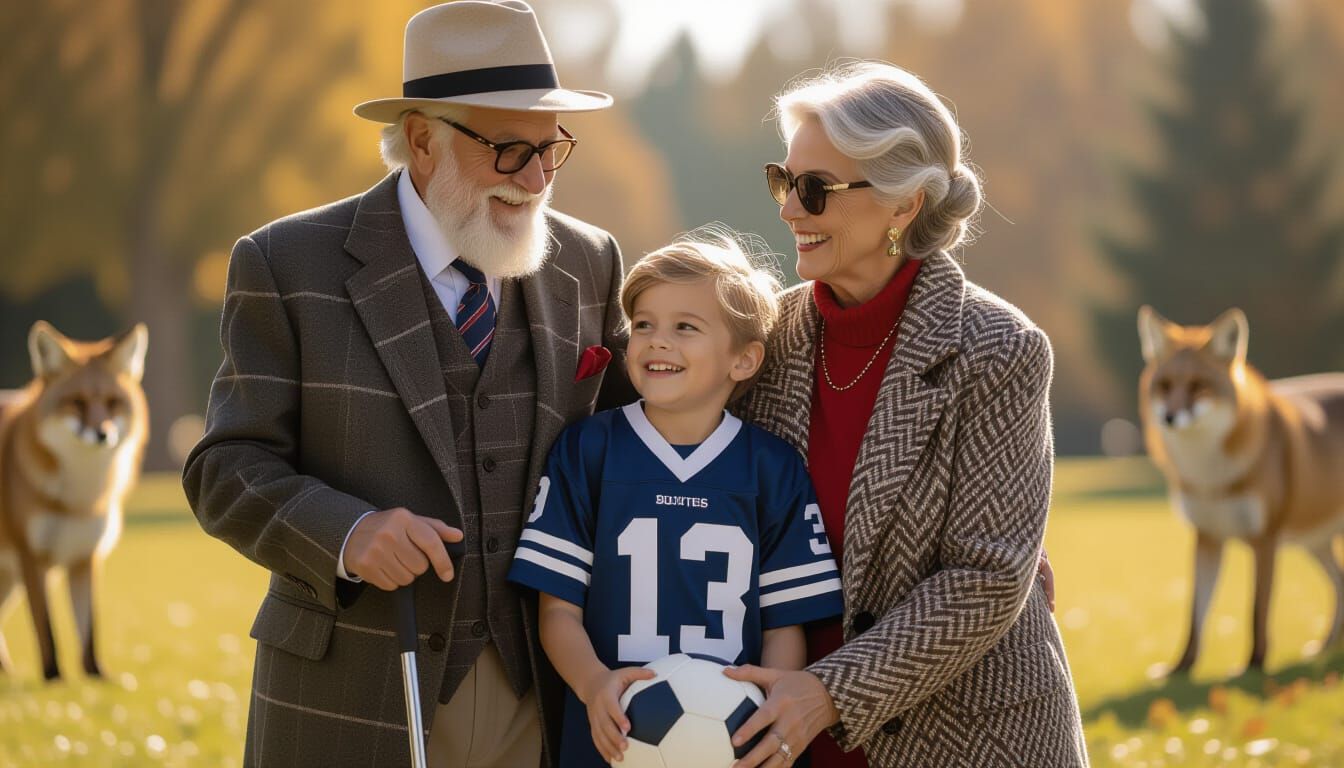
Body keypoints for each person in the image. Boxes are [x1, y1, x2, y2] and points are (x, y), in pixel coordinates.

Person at [182, 3, 633, 766]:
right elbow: (224, 469)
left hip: (545, 695)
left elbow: (632, 444)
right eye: (509, 150)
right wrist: (347, 534)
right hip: (353, 694)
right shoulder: (285, 263)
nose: (536, 180)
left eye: (552, 149)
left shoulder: (592, 262)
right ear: (422, 140)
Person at [723, 62, 1089, 767]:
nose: (789, 210)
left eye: (814, 189)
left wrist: (828, 691)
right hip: (781, 738)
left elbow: (986, 576)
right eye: (782, 181)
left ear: (903, 205)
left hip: (969, 740)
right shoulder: (763, 339)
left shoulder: (1000, 349)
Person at [506, 235, 845, 767]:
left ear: (743, 359)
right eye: (643, 324)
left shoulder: (772, 468)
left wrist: (770, 711)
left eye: (685, 326)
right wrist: (594, 685)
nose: (657, 341)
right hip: (612, 739)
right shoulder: (588, 450)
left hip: (732, 743)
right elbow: (558, 611)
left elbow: (784, 625)